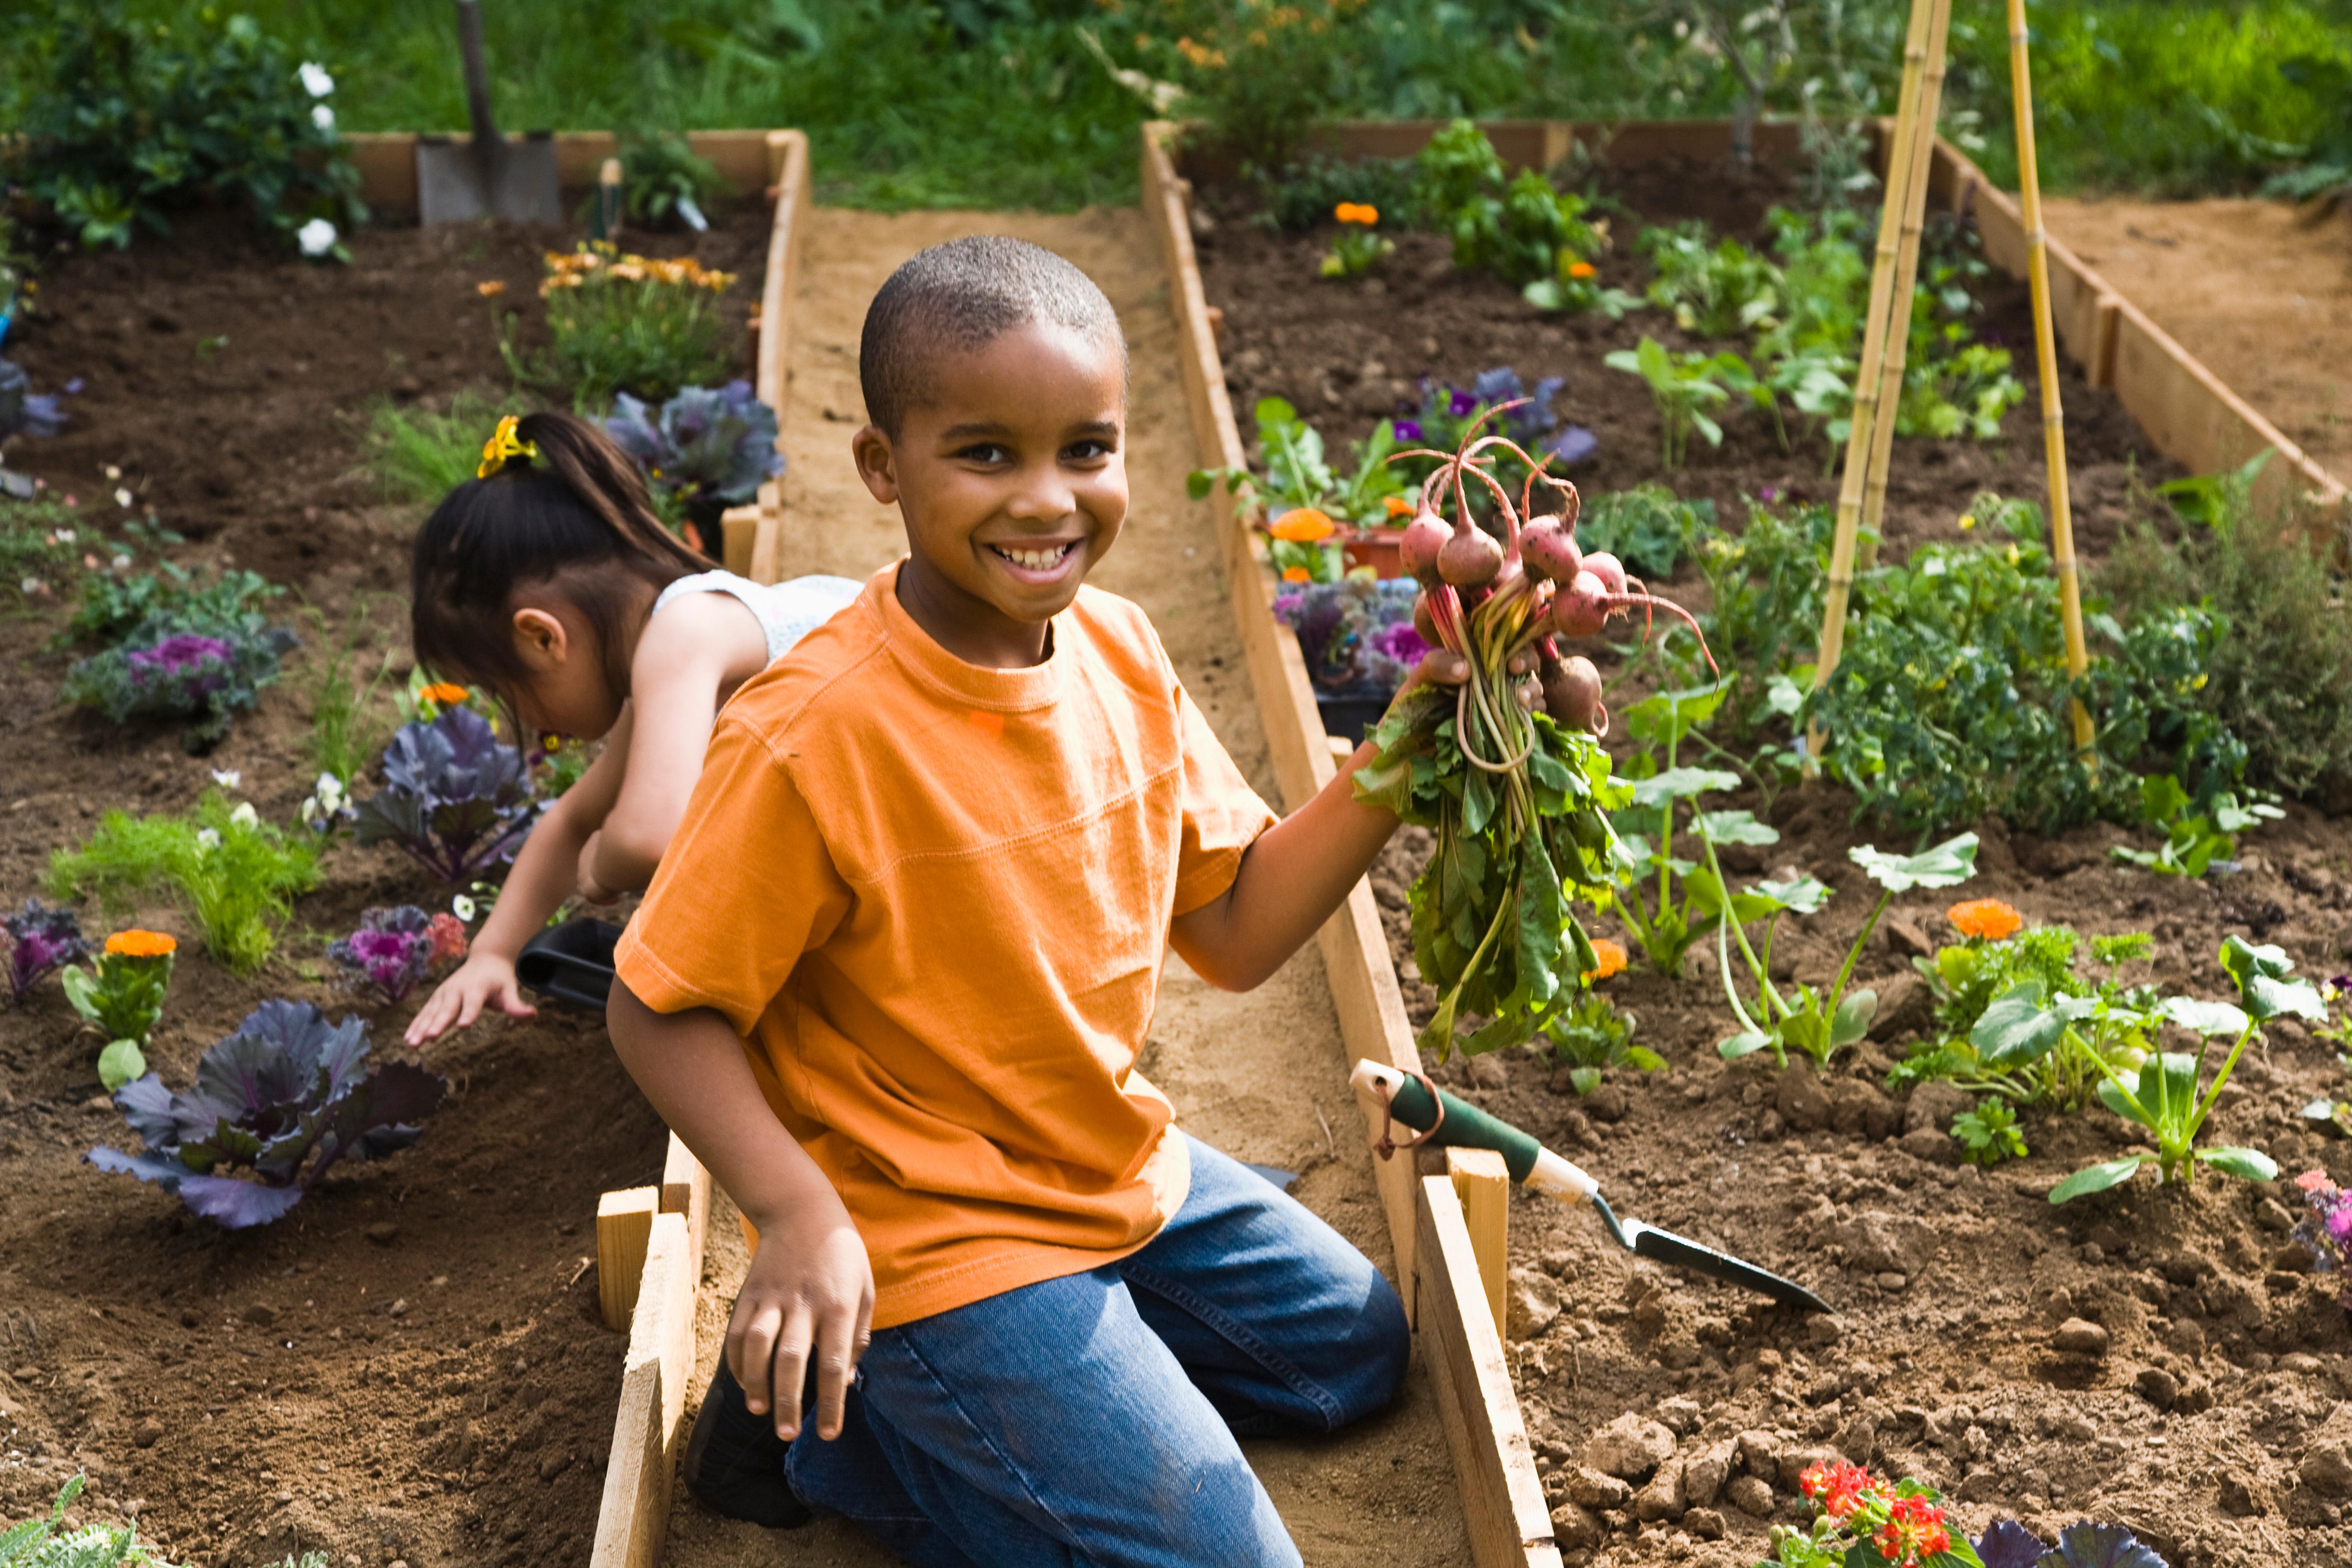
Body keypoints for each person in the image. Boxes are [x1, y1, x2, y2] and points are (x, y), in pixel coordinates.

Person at [607, 236, 1485, 1567]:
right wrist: (796, 1212)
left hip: (1101, 1161)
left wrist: (1421, 733)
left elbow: (1238, 928)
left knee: (1357, 1352)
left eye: (1086, 448)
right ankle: (829, 1428)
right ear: (882, 467)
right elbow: (654, 1005)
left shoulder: (1119, 652)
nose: (1045, 499)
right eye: (985, 453)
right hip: (923, 1228)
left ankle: (853, 1419)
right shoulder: (814, 736)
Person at [401, 410, 861, 1048]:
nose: (522, 727)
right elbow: (569, 820)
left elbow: (646, 836)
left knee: (646, 1015)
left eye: (503, 694)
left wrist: (601, 868)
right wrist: (493, 953)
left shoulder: (683, 634)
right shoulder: (678, 642)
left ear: (542, 637)